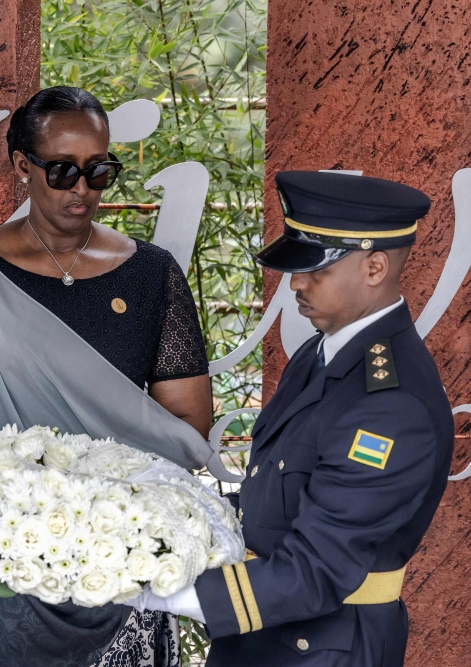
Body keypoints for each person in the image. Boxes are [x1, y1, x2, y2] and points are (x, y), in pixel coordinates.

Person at [0, 86, 215, 667]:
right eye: (61, 171)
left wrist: (111, 514)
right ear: (20, 167)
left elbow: (186, 428)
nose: (82, 189)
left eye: (99, 170)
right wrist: (1, 510)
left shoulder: (151, 276)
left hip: (120, 562)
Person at [141, 171, 454, 667]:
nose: (297, 284)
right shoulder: (319, 354)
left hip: (325, 649)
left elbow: (319, 569)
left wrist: (166, 595)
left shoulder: (390, 404)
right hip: (269, 636)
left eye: (317, 270)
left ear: (375, 268)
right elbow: (277, 494)